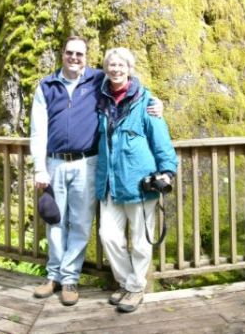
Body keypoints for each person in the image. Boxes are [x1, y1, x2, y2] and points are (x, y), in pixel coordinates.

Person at [30, 36, 163, 307]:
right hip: (54, 163)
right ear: (62, 54)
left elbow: (129, 86)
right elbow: (38, 130)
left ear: (86, 57)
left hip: (87, 163)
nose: (75, 58)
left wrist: (157, 103)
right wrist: (39, 167)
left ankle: (70, 278)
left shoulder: (97, 81)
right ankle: (53, 275)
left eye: (80, 54)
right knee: (54, 221)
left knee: (80, 222)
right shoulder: (46, 85)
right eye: (70, 53)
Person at [95, 47, 178, 313]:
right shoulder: (101, 99)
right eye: (111, 65)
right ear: (106, 69)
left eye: (121, 65)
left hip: (140, 184)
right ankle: (125, 281)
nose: (115, 69)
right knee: (108, 235)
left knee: (141, 240)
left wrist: (168, 170)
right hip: (110, 183)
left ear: (130, 69)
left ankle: (135, 287)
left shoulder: (146, 101)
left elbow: (160, 139)